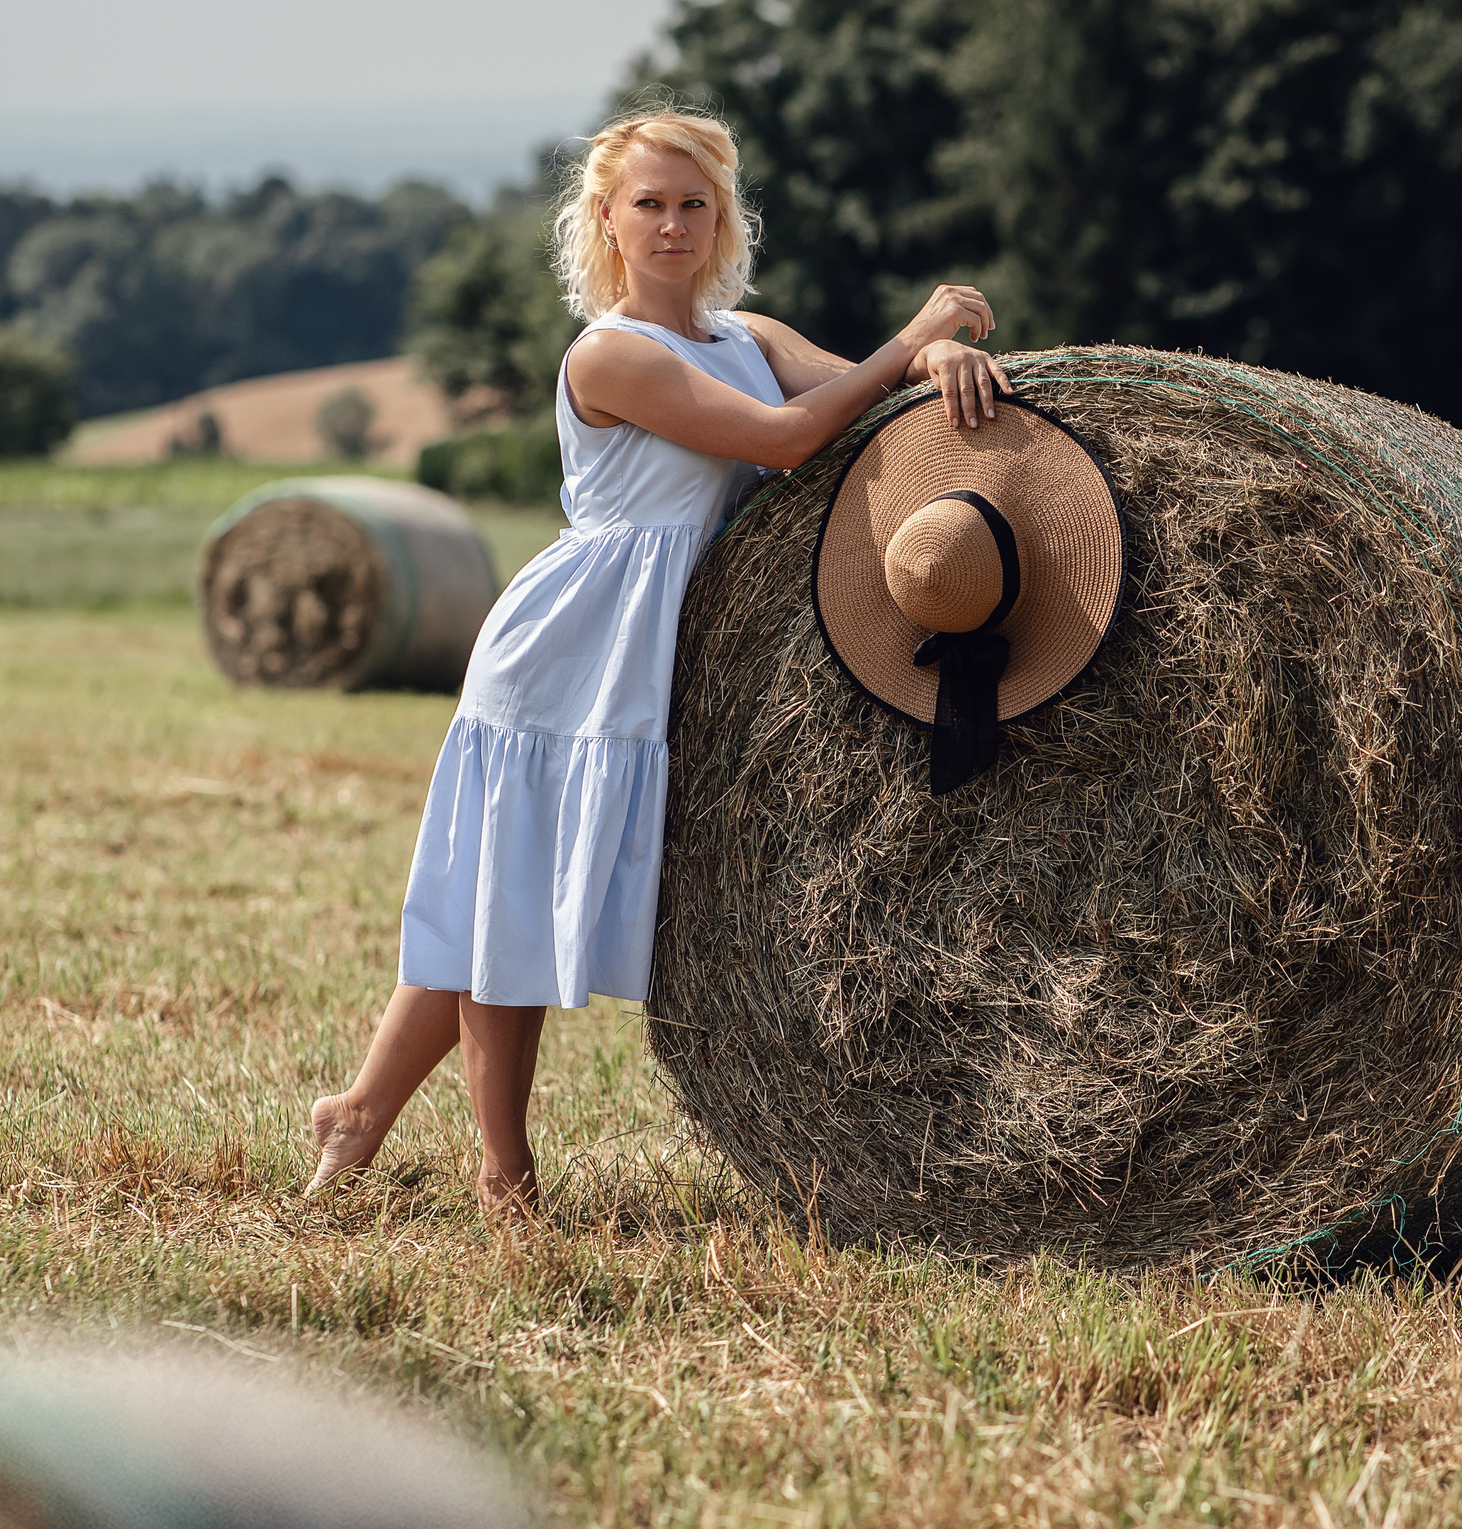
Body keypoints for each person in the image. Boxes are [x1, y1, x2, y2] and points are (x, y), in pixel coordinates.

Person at [305, 109, 1011, 1210]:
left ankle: (356, 1113)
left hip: (658, 647)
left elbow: (871, 400)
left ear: (721, 216)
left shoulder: (750, 337)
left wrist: (939, 351)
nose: (673, 223)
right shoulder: (612, 353)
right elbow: (786, 439)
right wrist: (909, 331)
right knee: (510, 912)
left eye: (694, 203)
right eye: (649, 204)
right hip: (569, 647)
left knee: (511, 899)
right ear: (606, 221)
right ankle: (505, 1174)